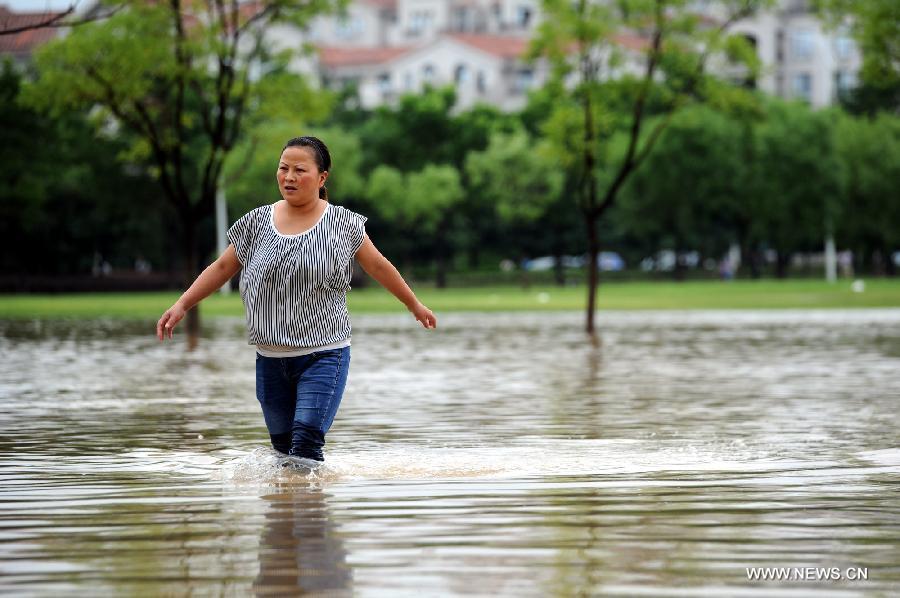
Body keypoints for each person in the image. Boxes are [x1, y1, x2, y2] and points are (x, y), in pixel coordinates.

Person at [156, 136, 436, 463]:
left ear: (322, 177)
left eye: (299, 170)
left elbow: (378, 265)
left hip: (324, 355)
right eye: (283, 168)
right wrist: (183, 304)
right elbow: (221, 268)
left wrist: (413, 304)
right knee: (282, 454)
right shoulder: (257, 222)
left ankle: (309, 497)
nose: (289, 177)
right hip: (270, 359)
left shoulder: (343, 224)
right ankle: (291, 499)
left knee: (304, 447)